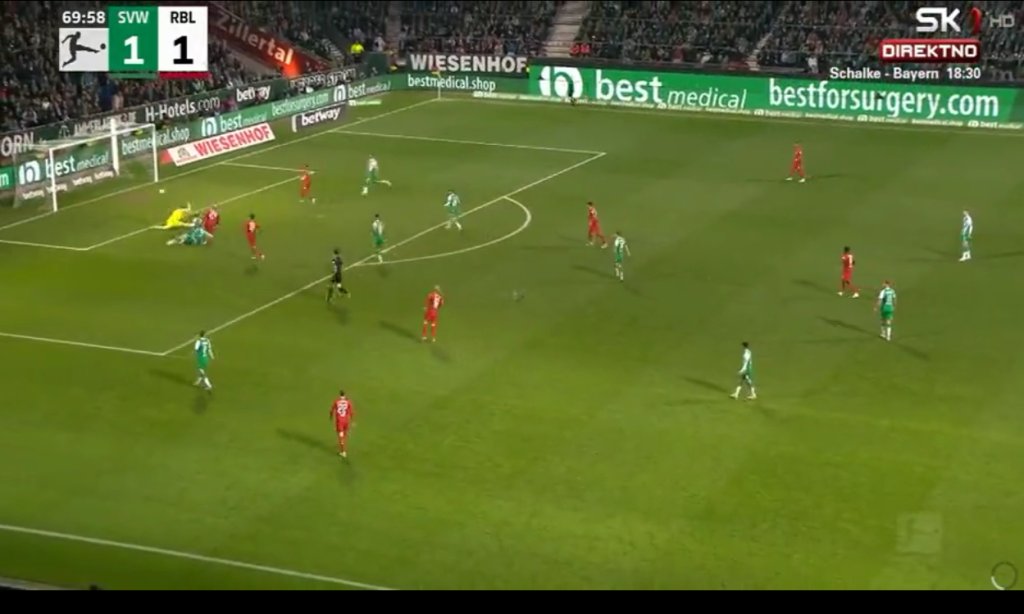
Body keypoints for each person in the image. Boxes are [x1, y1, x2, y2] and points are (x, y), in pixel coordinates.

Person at [329, 390, 355, 458]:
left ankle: (343, 451)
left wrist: (331, 417)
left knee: (341, 435)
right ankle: (342, 444)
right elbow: (352, 412)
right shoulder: (348, 402)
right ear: (344, 395)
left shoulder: (336, 401)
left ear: (339, 395)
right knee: (344, 434)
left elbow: (331, 411)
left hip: (339, 421)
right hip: (346, 421)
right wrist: (353, 421)